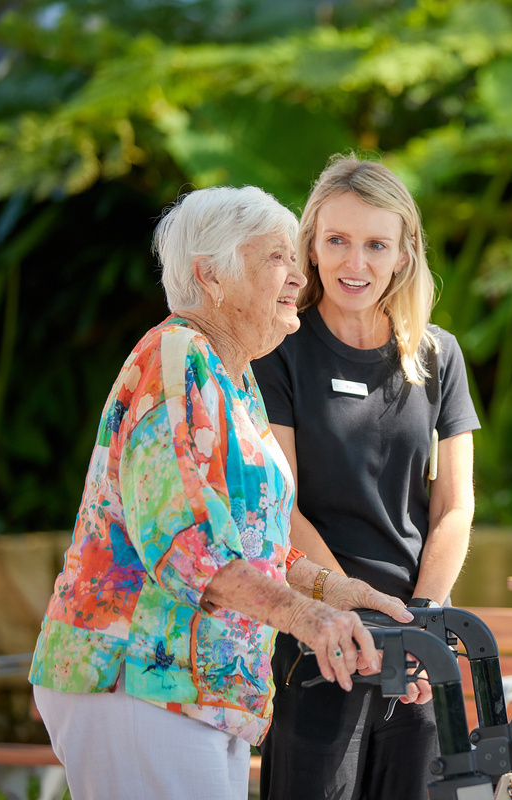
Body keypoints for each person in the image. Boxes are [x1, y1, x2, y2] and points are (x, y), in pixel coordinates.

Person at [28, 185, 415, 800]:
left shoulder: (231, 377)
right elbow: (187, 547)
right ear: (212, 277)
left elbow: (254, 545)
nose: (300, 275)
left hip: (194, 689)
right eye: (277, 260)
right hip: (140, 675)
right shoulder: (177, 356)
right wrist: (311, 622)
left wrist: (348, 597)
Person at [253, 153, 480, 800]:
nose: (357, 264)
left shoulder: (439, 355)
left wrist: (423, 622)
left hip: (417, 653)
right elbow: (282, 508)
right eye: (338, 241)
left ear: (405, 252)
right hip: (320, 639)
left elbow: (454, 507)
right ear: (312, 249)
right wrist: (352, 610)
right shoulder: (278, 351)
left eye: (376, 244)